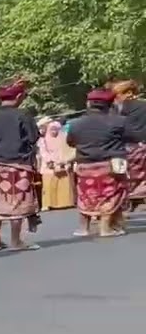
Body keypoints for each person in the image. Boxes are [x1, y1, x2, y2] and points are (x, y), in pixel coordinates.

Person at [0, 79, 42, 251]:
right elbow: (33, 137)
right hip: (18, 162)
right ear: (18, 96)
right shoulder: (23, 115)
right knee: (18, 199)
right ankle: (16, 240)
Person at [67, 87, 129, 238]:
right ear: (110, 104)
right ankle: (105, 228)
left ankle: (83, 228)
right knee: (110, 194)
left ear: (89, 104)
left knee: (85, 195)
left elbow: (70, 142)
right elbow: (131, 137)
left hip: (85, 165)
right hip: (110, 165)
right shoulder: (119, 121)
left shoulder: (75, 123)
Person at [113, 80, 146, 209]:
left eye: (118, 95)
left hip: (127, 148)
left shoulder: (118, 110)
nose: (116, 98)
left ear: (129, 93)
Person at [37, 117, 76, 211]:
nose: (54, 132)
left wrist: (65, 161)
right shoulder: (43, 140)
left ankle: (67, 202)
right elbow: (43, 152)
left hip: (64, 165)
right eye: (52, 129)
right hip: (49, 166)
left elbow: (71, 150)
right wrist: (51, 162)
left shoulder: (65, 138)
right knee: (49, 185)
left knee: (65, 183)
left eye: (56, 129)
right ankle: (48, 204)